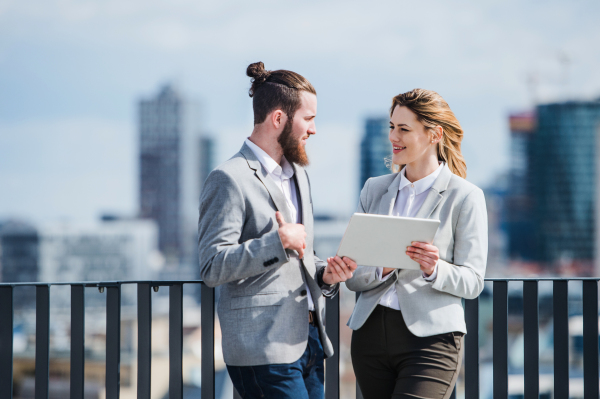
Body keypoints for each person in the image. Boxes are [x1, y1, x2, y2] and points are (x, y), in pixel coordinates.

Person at [198, 62, 356, 399]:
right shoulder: (228, 178)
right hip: (262, 347)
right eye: (309, 119)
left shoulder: (299, 176)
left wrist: (326, 275)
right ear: (279, 119)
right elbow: (211, 266)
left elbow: (301, 256)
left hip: (309, 342)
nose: (313, 130)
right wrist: (278, 241)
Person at [331, 89, 488, 399]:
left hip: (431, 340)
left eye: (404, 129)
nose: (394, 137)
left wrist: (434, 268)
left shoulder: (465, 196)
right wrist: (380, 268)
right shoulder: (374, 189)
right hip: (370, 336)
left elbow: (473, 282)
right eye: (392, 127)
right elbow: (355, 275)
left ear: (434, 134)